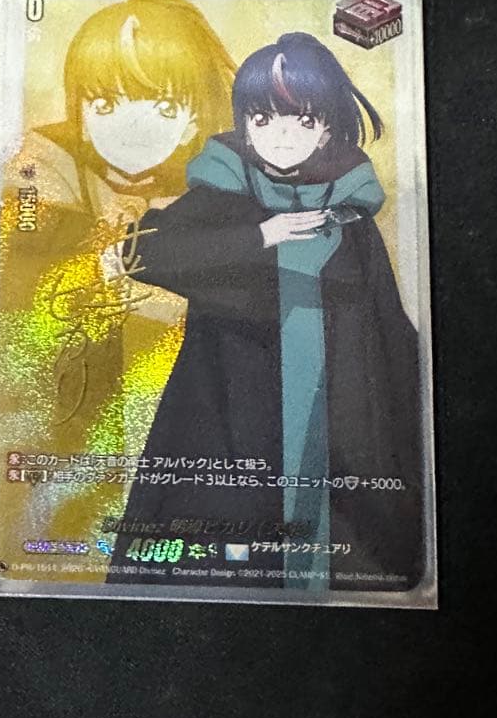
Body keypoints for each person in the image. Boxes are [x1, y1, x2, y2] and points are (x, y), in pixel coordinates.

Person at [106, 32, 425, 592]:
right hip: (230, 409)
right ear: (244, 123)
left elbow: (385, 323)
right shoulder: (222, 191)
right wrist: (260, 236)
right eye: (262, 119)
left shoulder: (351, 211)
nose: (281, 135)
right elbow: (137, 253)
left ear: (328, 127)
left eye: (303, 120)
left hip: (336, 413)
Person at [0, 0, 235, 547]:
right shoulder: (42, 171)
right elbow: (25, 307)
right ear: (79, 109)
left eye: (161, 107)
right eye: (104, 104)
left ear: (193, 116)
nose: (130, 129)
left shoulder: (224, 179)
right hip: (70, 415)